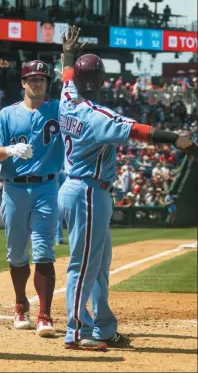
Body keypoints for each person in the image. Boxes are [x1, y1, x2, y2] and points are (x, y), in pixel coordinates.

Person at [57, 25, 198, 351]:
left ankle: (104, 328)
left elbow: (66, 77)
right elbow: (138, 131)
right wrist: (176, 139)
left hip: (82, 188)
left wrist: (67, 54)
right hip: (88, 192)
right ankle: (76, 331)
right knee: (82, 265)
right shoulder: (98, 114)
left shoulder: (67, 99)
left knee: (99, 266)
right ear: (103, 81)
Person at [0, 60, 64, 337]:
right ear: (23, 83)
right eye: (32, 79)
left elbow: (76, 100)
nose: (37, 83)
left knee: (44, 251)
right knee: (17, 252)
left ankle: (45, 315)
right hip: (14, 188)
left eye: (42, 79)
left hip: (47, 186)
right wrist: (9, 150)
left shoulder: (57, 109)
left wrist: (66, 61)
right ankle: (21, 304)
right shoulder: (7, 115)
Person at [56, 167, 66, 245]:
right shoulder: (62, 172)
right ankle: (59, 238)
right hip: (60, 196)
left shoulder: (54, 171)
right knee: (59, 219)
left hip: (52, 196)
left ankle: (59, 238)